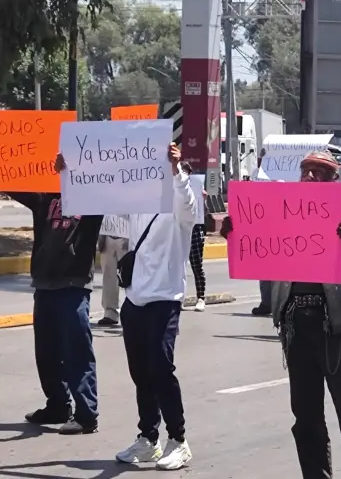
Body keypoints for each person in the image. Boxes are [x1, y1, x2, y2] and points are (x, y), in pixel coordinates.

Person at [222, 150, 341, 479]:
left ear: (334, 181)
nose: (309, 177)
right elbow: (254, 250)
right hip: (295, 328)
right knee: (306, 418)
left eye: (319, 172)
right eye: (305, 171)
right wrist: (235, 232)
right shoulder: (279, 213)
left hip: (336, 328)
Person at [0, 144, 101, 435]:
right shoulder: (44, 195)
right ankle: (57, 405)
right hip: (44, 283)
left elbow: (126, 190)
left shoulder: (94, 200)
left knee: (76, 352)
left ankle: (86, 415)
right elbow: (11, 183)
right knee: (46, 352)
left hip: (73, 285)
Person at [114, 142, 198, 471]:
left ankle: (178, 440)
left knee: (160, 368)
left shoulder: (180, 208)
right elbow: (97, 193)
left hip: (165, 300)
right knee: (140, 372)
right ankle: (149, 439)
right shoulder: (138, 203)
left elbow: (188, 205)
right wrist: (69, 174)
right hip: (134, 299)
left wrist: (176, 170)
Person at [181, 162, 208, 312]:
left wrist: (204, 200)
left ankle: (201, 298)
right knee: (179, 266)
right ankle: (179, 298)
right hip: (179, 228)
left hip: (196, 228)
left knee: (197, 264)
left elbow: (204, 215)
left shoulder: (196, 188)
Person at [249, 148, 273, 317]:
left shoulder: (284, 177)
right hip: (263, 225)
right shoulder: (256, 174)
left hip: (283, 226)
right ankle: (266, 302)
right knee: (264, 269)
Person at [97, 219, 129, 326]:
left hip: (126, 236)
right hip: (107, 235)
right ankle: (110, 313)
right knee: (108, 277)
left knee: (129, 277)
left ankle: (133, 312)